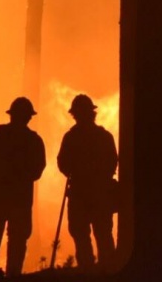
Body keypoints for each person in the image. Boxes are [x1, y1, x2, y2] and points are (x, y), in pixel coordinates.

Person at [0, 97, 47, 275]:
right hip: (20, 199)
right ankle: (12, 275)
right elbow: (38, 170)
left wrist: (0, 173)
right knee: (16, 242)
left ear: (12, 115)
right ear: (28, 117)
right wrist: (20, 175)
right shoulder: (34, 141)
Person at [56, 94, 117, 269]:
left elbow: (62, 163)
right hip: (99, 193)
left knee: (82, 235)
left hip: (81, 193)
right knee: (102, 234)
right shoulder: (104, 136)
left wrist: (75, 172)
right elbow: (113, 161)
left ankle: (87, 271)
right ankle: (108, 271)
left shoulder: (71, 137)